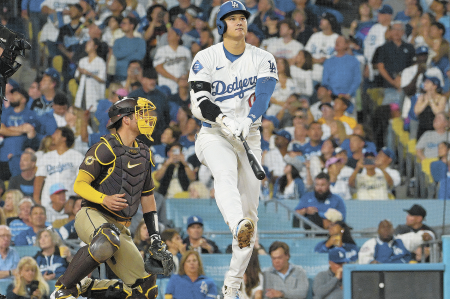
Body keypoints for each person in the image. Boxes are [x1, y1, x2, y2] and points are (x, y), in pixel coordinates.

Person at [188, 1, 278, 297]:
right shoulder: (206, 57)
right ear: (221, 25)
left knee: (252, 218)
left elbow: (264, 95)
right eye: (232, 18)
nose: (239, 22)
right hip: (214, 133)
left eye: (242, 17)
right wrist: (225, 119)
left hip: (249, 136)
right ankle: (235, 221)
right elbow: (201, 101)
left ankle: (232, 283)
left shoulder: (262, 57)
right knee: (224, 175)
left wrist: (250, 119)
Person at [50, 97, 174, 299]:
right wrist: (103, 199)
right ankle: (63, 288)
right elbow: (79, 184)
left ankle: (86, 285)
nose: (147, 119)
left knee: (147, 290)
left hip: (121, 227)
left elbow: (148, 198)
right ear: (125, 119)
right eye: (140, 114)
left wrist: (155, 237)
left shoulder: (144, 152)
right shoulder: (105, 147)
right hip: (92, 214)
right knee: (107, 238)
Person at [33, 127, 83, 206]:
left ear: (64, 138)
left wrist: (76, 199)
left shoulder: (77, 156)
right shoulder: (46, 157)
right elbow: (39, 178)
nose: (52, 136)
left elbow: (82, 180)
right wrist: (36, 198)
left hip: (68, 201)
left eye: (56, 133)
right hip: (47, 202)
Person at [358, 220, 430, 264]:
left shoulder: (402, 240)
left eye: (388, 227)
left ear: (393, 230)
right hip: (382, 275)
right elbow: (363, 259)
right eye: (383, 228)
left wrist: (426, 236)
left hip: (405, 274)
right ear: (378, 230)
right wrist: (371, 262)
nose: (386, 230)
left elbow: (423, 235)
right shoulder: (371, 244)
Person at [112, 16, 146, 81]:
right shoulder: (117, 41)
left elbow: (140, 56)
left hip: (135, 75)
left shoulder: (140, 41)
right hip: (120, 74)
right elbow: (117, 54)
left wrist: (124, 55)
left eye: (124, 23)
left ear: (131, 26)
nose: (121, 25)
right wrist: (133, 51)